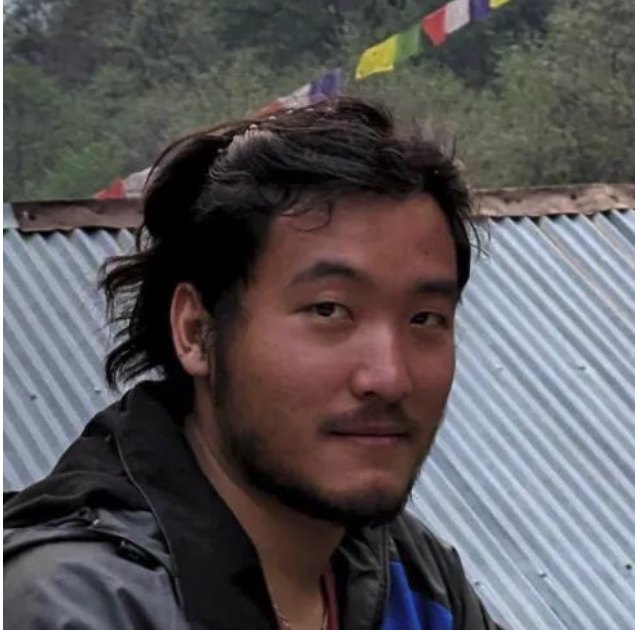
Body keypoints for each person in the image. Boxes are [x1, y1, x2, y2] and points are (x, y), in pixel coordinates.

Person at [4, 97, 505, 630]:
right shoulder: (81, 603)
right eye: (328, 310)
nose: (389, 378)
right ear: (196, 331)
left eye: (425, 318)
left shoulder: (411, 581)